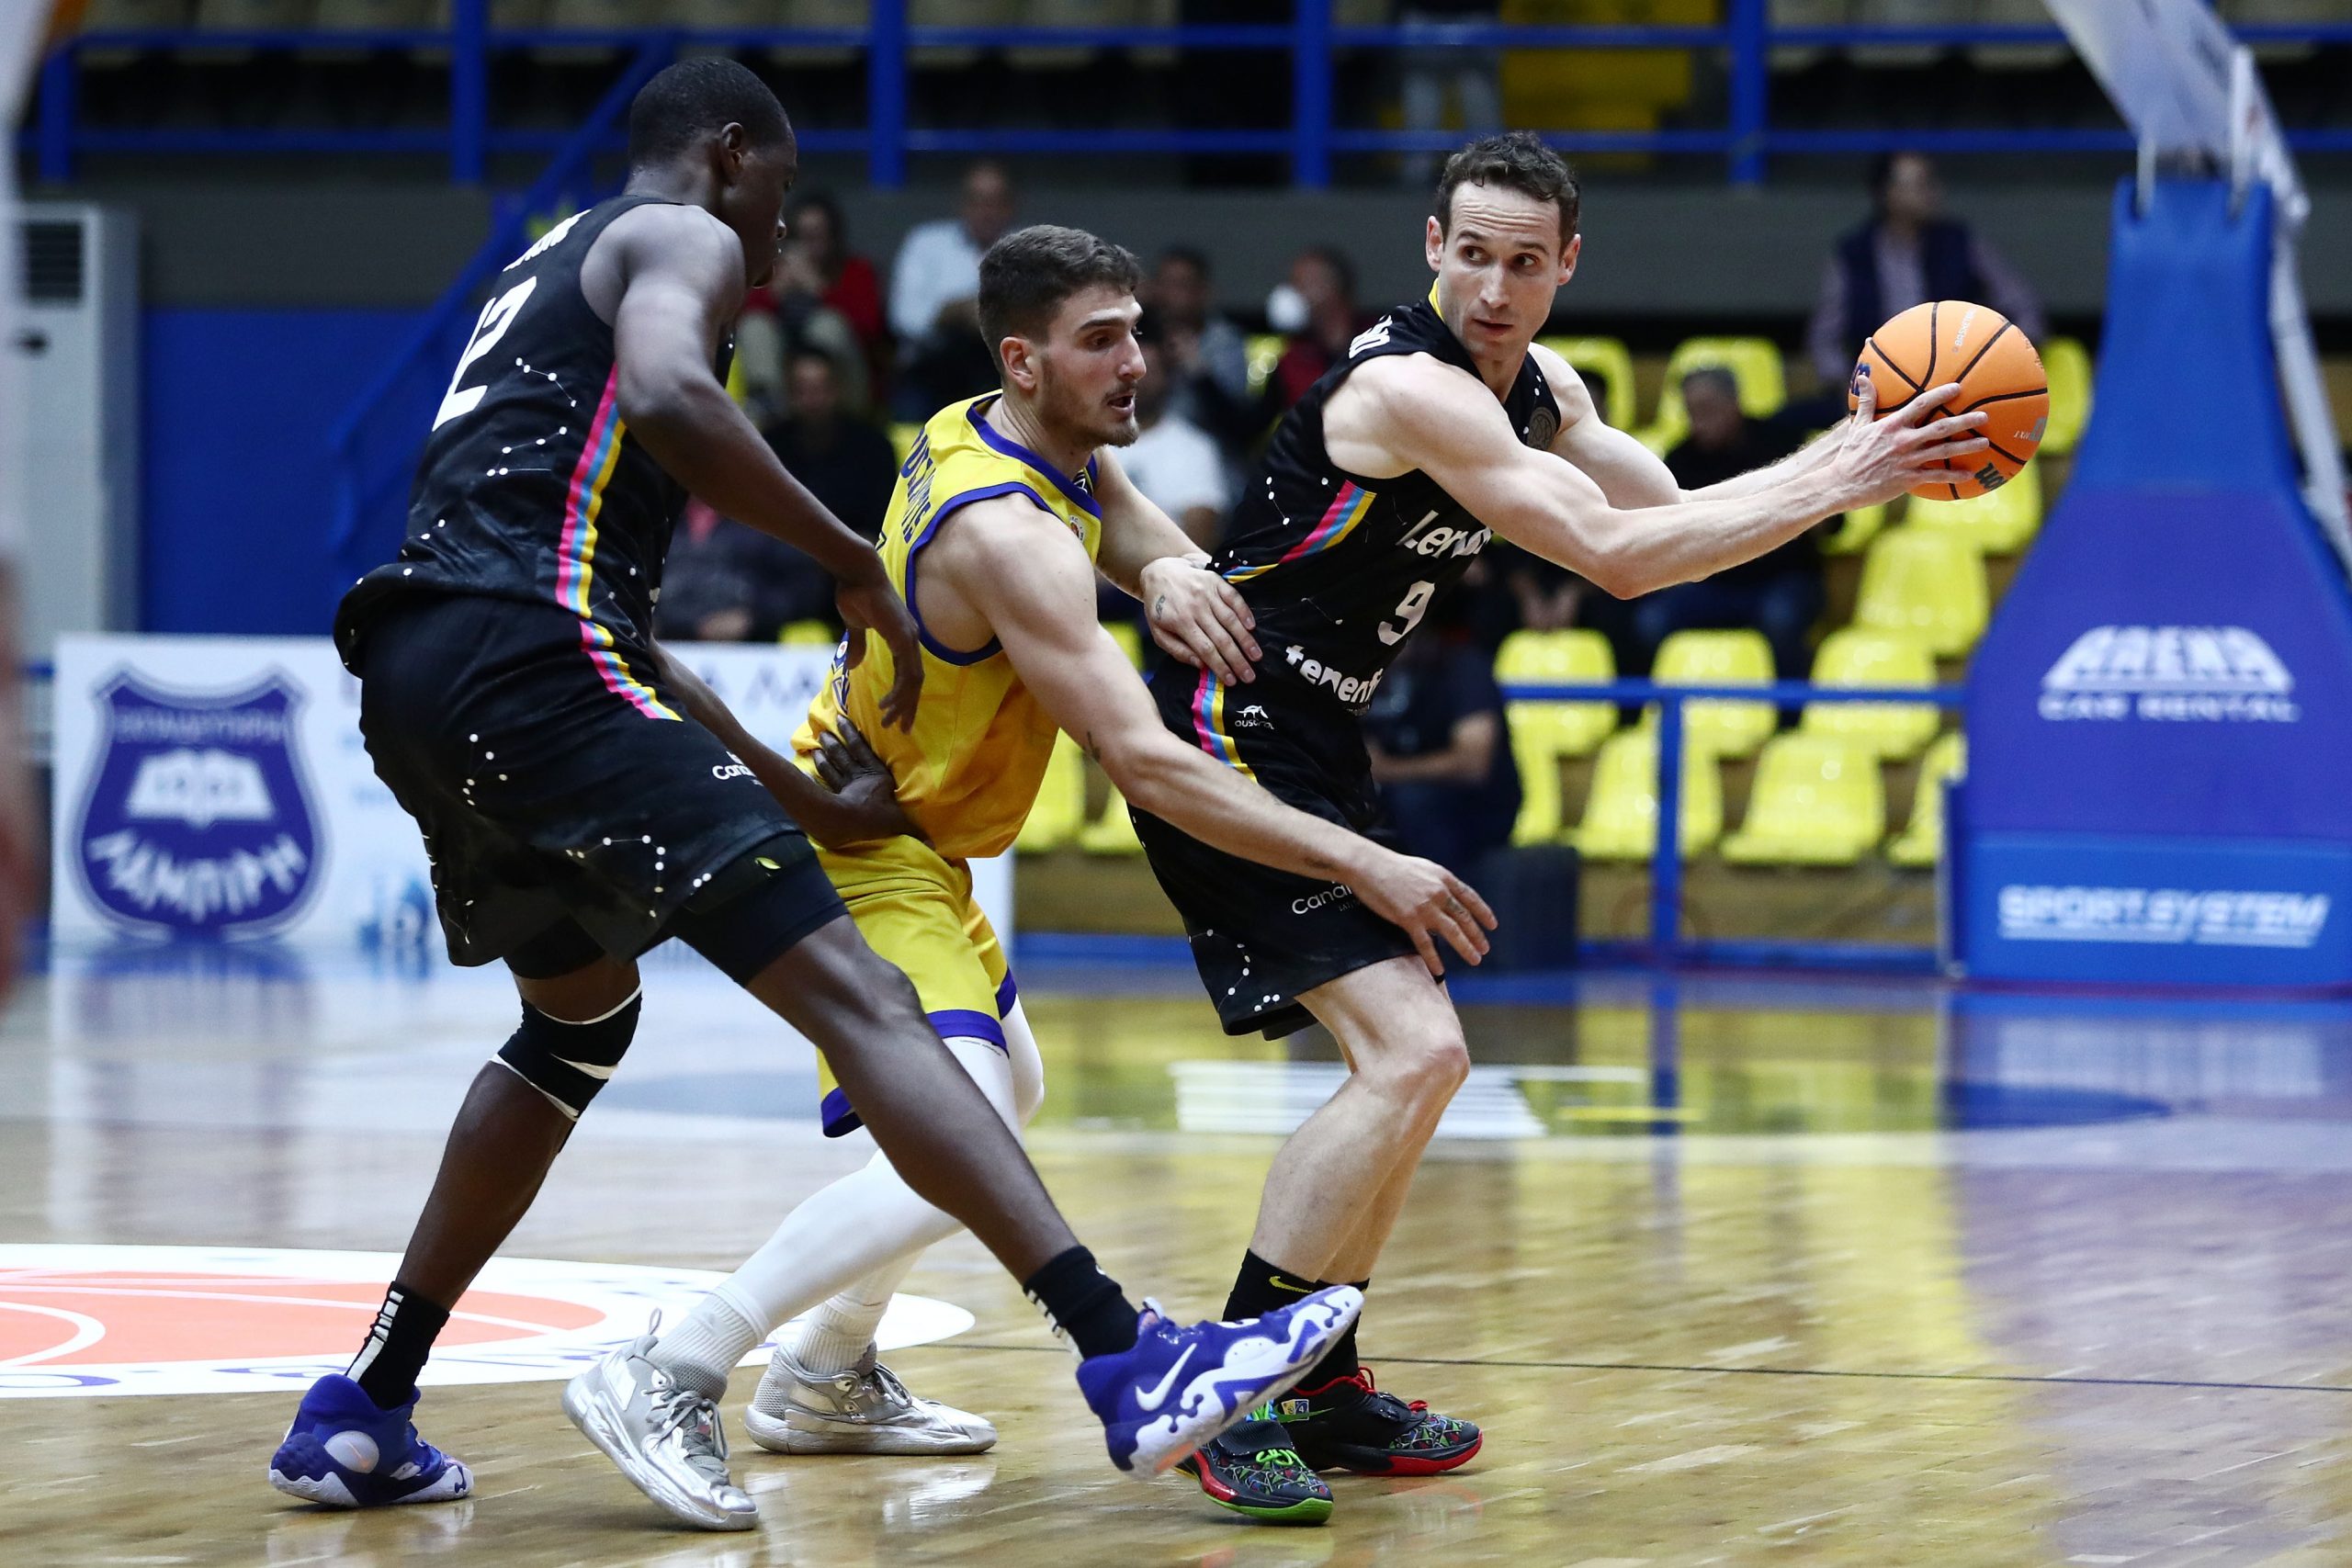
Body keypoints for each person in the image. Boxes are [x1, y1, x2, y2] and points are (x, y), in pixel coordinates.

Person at [266, 61, 1361, 1529]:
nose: (780, 236)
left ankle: (365, 1403)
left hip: (424, 664)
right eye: (780, 194)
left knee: (575, 1024)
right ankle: (1122, 1353)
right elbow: (672, 398)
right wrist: (847, 555)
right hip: (536, 655)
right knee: (871, 1005)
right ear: (730, 155)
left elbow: (636, 646)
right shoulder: (679, 233)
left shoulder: (547, 262)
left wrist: (813, 799)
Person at [1130, 130, 1989, 1522]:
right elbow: (1612, 561)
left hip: (1319, 735)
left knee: (1422, 1067)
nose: (1493, 286)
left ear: (1566, 266)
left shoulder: (1539, 388)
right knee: (1416, 1053)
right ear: (1432, 245)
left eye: (1524, 262)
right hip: (1225, 722)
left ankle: (1324, 1380)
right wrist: (1849, 464)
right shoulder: (1410, 387)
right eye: (1471, 253)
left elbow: (1673, 519)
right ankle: (1227, 1390)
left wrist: (1849, 466)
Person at [612, 223, 1494, 1529]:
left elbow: (1122, 514)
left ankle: (826, 1372)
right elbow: (1146, 764)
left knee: (1004, 1097)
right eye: (1100, 341)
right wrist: (1371, 860)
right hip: (867, 849)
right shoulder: (1010, 535)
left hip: (920, 842)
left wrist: (1171, 569)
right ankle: (675, 1359)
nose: (1135, 361)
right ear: (1024, 361)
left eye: (1136, 331)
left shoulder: (1004, 429)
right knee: (957, 1134)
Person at [1632, 366, 1823, 680]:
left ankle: (1791, 707)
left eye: (1708, 409)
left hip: (1780, 578)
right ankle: (1652, 705)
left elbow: (1832, 521)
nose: (1699, 421)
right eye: (1692, 412)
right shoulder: (1679, 460)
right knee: (1652, 619)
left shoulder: (1783, 444)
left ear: (1734, 402)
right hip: (1710, 584)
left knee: (1782, 617)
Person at [1805, 151, 2048, 393]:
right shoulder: (1854, 253)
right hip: (1879, 390)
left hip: (1957, 386)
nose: (1933, 192)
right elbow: (1825, 338)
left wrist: (1996, 366)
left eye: (1932, 182)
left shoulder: (1960, 242)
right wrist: (1852, 387)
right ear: (1887, 193)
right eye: (1921, 184)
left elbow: (2025, 309)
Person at [1363, 593, 1520, 878]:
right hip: (1394, 797)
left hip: (1475, 808)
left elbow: (1473, 765)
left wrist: (1388, 769)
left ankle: (1439, 897)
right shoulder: (1364, 675)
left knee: (1412, 800)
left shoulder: (1465, 668)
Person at [888, 160, 1018, 418]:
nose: (986, 211)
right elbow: (903, 318)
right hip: (932, 365)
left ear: (1011, 206)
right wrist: (949, 312)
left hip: (1001, 370)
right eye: (977, 200)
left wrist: (988, 318)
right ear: (962, 203)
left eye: (994, 201)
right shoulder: (926, 243)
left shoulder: (1031, 249)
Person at [1122, 324, 1229, 549]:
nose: (1139, 380)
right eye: (1130, 370)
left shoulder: (1196, 449)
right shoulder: (1085, 443)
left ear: (1169, 377)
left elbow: (1199, 545)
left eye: (1149, 370)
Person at [783, 190, 888, 400]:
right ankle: (766, 404)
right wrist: (774, 294)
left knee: (827, 325)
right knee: (756, 326)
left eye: (817, 235)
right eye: (802, 236)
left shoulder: (857, 271)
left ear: (833, 236)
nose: (809, 244)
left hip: (849, 382)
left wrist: (818, 289)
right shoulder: (774, 271)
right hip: (787, 379)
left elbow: (870, 327)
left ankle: (829, 402)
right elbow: (739, 321)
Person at [1396, 0, 1504, 187]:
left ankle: (1492, 176)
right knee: (1423, 92)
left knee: (1477, 91)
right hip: (1423, 14)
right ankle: (1415, 177)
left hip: (1477, 14)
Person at [1261, 245, 1371, 418]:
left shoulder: (1378, 345)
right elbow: (1253, 423)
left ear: (1331, 288)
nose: (1292, 295)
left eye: (1300, 284)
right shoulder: (1293, 360)